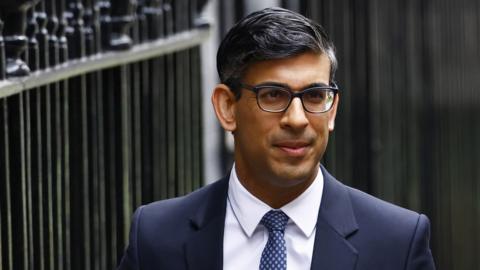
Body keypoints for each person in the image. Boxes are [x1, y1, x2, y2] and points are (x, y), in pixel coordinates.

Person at [117, 7, 435, 270]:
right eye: (273, 95)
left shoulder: (397, 243)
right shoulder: (156, 238)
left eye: (314, 95)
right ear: (227, 107)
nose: (297, 119)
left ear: (333, 109)